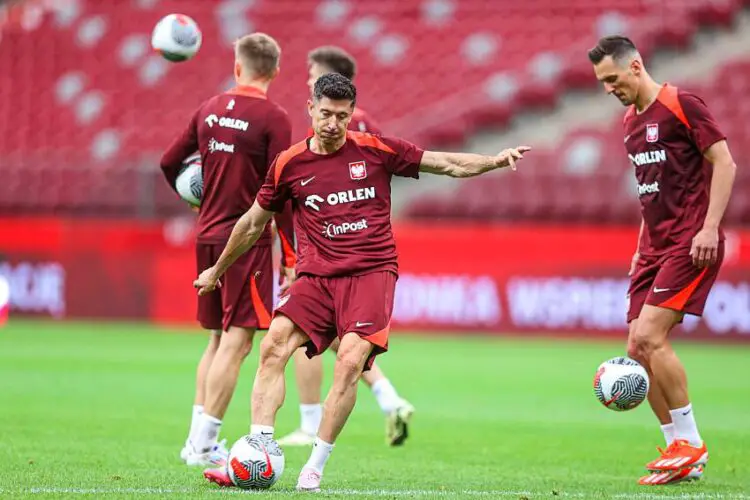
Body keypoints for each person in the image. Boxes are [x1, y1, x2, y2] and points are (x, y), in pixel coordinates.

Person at [195, 73, 530, 491]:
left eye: (342, 115)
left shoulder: (376, 150)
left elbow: (445, 163)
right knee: (273, 345)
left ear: (352, 114)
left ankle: (314, 467)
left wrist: (493, 161)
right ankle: (262, 448)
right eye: (325, 114)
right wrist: (217, 269)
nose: (333, 123)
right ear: (310, 110)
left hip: (371, 273)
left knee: (351, 362)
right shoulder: (288, 164)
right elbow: (250, 224)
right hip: (317, 277)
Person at [588, 35, 736, 485]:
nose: (609, 88)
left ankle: (691, 443)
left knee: (650, 336)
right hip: (653, 248)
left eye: (612, 78)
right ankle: (677, 448)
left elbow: (724, 162)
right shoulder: (630, 124)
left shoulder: (681, 103)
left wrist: (709, 227)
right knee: (635, 349)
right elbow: (649, 192)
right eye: (601, 82)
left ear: (635, 66)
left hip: (690, 242)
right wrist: (639, 245)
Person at [160, 32, 296, 467]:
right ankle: (203, 445)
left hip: (207, 234)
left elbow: (169, 162)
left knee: (217, 339)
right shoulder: (275, 118)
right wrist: (292, 254)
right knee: (238, 343)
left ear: (237, 67)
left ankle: (195, 440)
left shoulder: (209, 109)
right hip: (246, 241)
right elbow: (281, 190)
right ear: (274, 71)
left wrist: (191, 195)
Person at [279, 45, 414, 449]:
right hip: (355, 254)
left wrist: (292, 258)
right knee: (347, 339)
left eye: (311, 73)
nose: (306, 80)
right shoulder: (363, 124)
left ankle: (308, 422)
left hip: (331, 256)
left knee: (307, 332)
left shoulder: (333, 133)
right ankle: (389, 398)